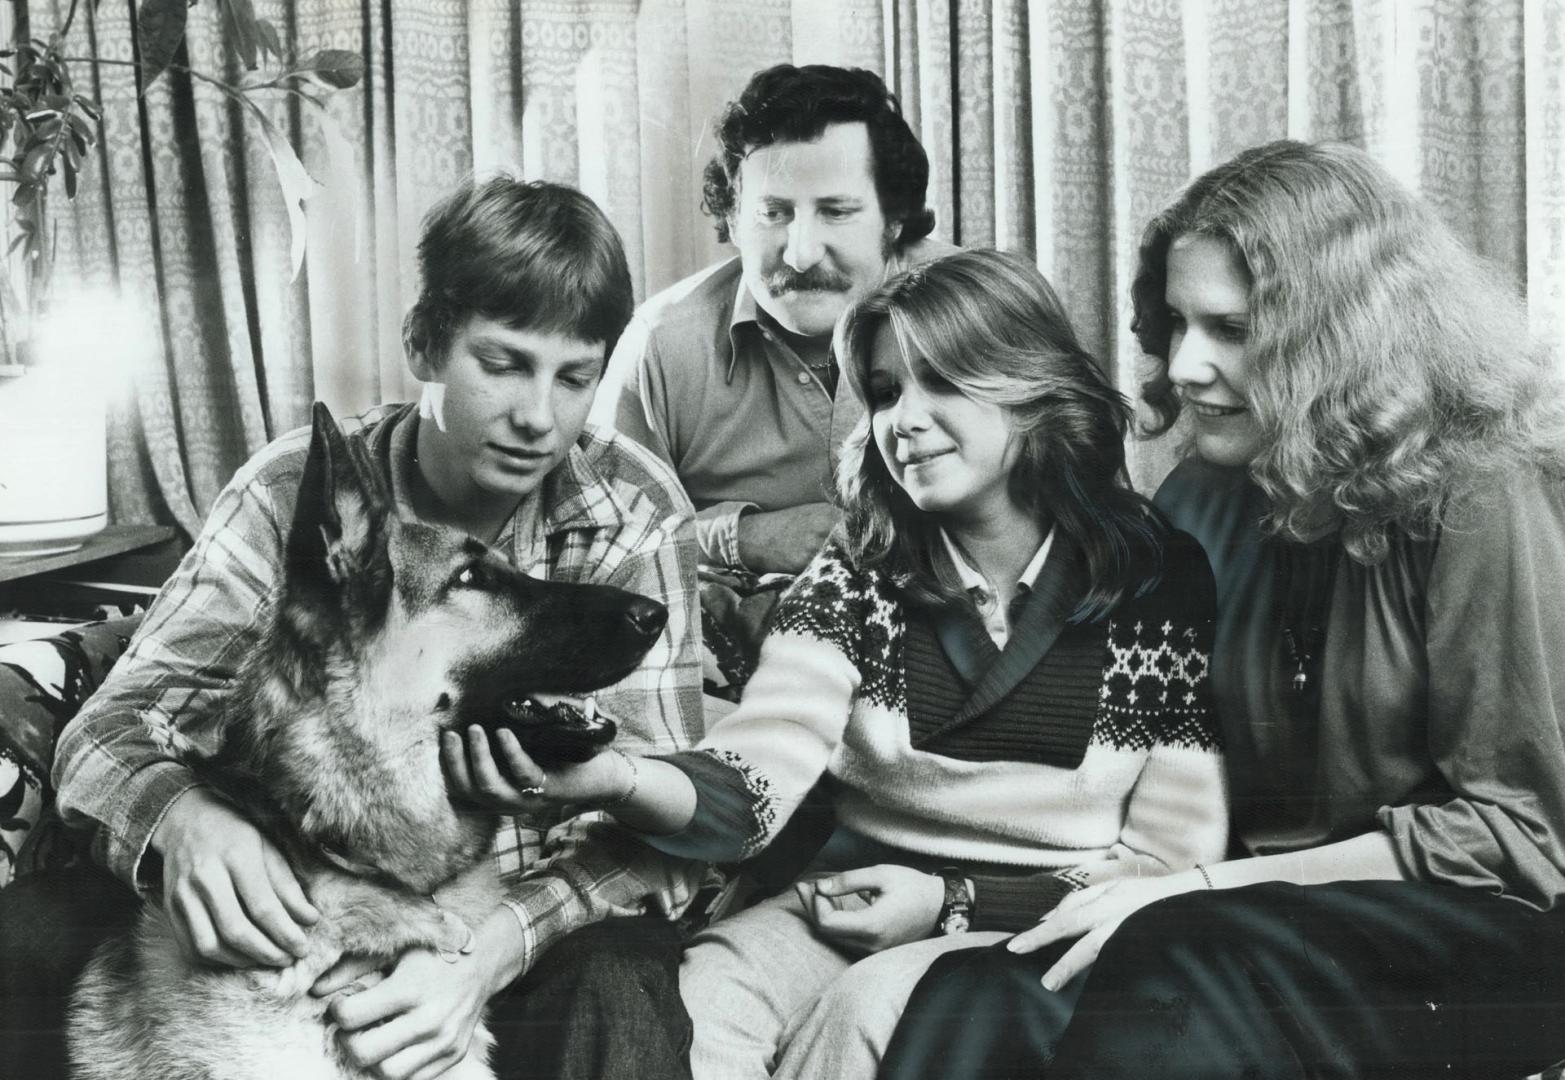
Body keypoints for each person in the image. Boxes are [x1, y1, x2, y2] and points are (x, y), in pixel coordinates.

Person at [877, 139, 1565, 1080]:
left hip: (1476, 936)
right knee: (982, 983)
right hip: (1236, 907)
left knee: (1179, 952)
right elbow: (1131, 763)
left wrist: (1201, 886)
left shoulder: (1477, 492)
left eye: (1232, 330)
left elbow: (1516, 834)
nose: (1186, 365)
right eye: (1175, 322)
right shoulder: (1199, 496)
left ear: (1344, 335)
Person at [0, 176, 707, 1080]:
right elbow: (113, 723)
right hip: (304, 886)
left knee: (620, 992)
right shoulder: (290, 488)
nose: (539, 417)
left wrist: (484, 950)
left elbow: (668, 816)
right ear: (424, 342)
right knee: (23, 931)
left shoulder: (634, 508)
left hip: (524, 922)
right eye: (502, 363)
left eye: (574, 377)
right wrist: (179, 821)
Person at [505, 248, 1228, 1078]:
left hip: (1049, 916)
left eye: (942, 383)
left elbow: (1172, 856)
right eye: (885, 392)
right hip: (845, 894)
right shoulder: (858, 571)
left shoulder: (1154, 578)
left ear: (1031, 388)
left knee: (862, 1012)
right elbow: (755, 775)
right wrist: (618, 780)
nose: (903, 420)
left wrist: (951, 905)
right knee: (708, 994)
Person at [592, 63, 954, 697]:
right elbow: (600, 551)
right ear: (732, 219)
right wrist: (748, 538)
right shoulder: (661, 346)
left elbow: (1075, 513)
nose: (800, 252)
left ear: (894, 218)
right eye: (773, 213)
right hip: (741, 692)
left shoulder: (983, 313)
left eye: (837, 212)